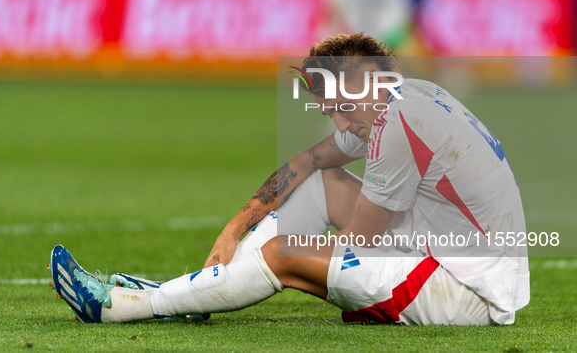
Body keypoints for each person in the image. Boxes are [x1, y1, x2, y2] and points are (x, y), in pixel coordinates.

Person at [50, 32, 529, 326]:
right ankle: (185, 293)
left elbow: (357, 244)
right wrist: (233, 230)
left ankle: (126, 306)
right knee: (320, 185)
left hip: (470, 291)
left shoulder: (399, 125)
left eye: (342, 110)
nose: (339, 125)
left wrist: (268, 262)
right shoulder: (405, 98)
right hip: (454, 250)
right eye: (330, 112)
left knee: (286, 256)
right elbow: (307, 162)